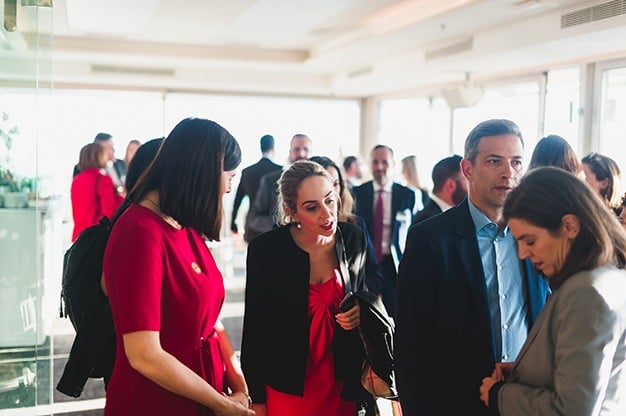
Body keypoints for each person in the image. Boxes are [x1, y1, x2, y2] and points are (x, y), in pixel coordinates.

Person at [395, 119, 550, 416]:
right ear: (467, 169)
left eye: (516, 162)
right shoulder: (430, 239)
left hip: (528, 400)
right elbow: (411, 345)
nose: (508, 173)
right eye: (494, 161)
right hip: (457, 403)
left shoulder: (540, 235)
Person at [102, 118, 254, 416]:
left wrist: (239, 384)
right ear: (203, 173)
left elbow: (211, 320)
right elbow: (144, 354)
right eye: (229, 178)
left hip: (202, 393)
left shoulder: (183, 227)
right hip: (156, 401)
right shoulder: (139, 232)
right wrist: (221, 403)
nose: (228, 189)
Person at [479, 166, 626, 415]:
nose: (523, 254)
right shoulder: (602, 277)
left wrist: (499, 394)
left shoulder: (586, 292)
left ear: (570, 226)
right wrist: (523, 370)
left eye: (530, 241)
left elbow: (572, 409)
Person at [241, 160, 374, 416]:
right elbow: (254, 329)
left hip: (342, 382)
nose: (327, 214)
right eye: (312, 207)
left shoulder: (353, 238)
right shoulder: (265, 251)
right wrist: (255, 396)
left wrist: (360, 311)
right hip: (286, 384)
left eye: (330, 200)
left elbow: (361, 294)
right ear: (291, 211)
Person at [353, 145, 415, 318]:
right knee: (364, 312)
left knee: (394, 312)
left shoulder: (407, 195)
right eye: (375, 162)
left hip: (392, 262)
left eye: (384, 162)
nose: (380, 167)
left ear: (393, 164)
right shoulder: (358, 193)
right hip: (365, 262)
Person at [309, 155, 383, 295]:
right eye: (325, 184)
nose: (331, 192)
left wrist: (358, 300)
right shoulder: (293, 230)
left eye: (335, 184)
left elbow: (374, 274)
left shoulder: (356, 225)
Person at [247, 133, 312, 237]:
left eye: (305, 149)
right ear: (290, 152)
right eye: (297, 149)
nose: (301, 153)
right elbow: (254, 218)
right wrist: (280, 224)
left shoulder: (320, 182)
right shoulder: (270, 180)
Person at [230, 134, 282, 242]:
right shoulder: (279, 171)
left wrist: (233, 223)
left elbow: (237, 200)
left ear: (261, 147)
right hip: (274, 228)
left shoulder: (247, 172)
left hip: (252, 227)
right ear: (273, 148)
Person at [71, 142, 124, 241]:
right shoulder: (103, 179)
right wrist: (120, 198)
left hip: (78, 236)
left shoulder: (76, 180)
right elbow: (109, 212)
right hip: (95, 237)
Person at [411, 154, 466, 226]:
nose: (471, 187)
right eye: (466, 181)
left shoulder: (453, 213)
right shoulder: (425, 221)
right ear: (450, 185)